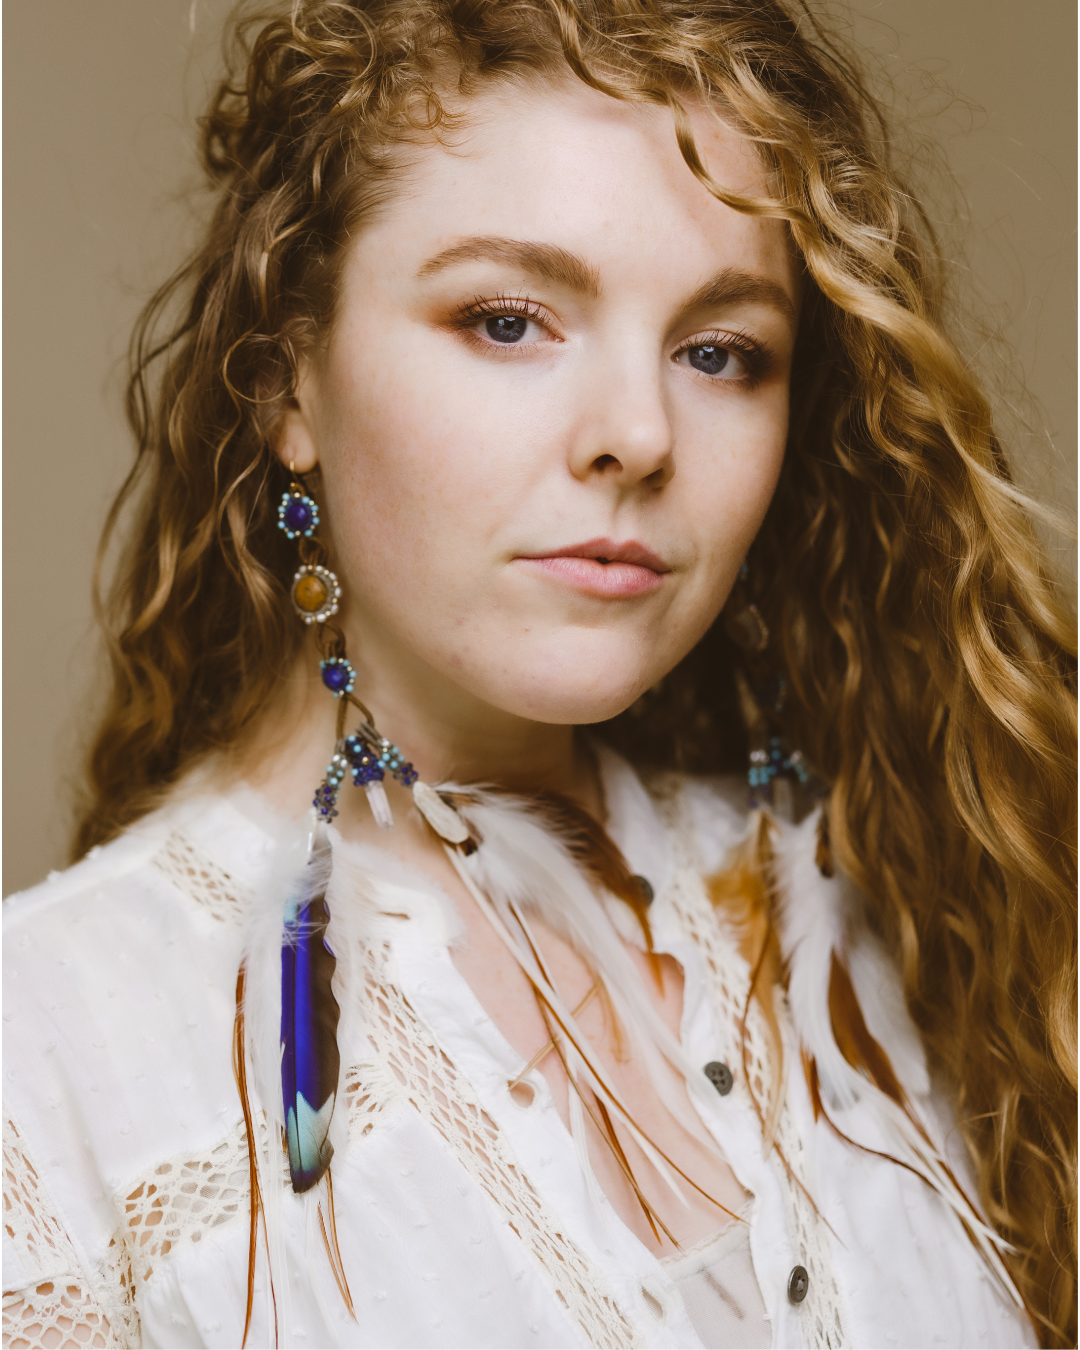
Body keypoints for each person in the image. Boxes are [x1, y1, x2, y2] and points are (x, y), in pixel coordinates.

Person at [2, 1, 1075, 1347]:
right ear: (287, 385)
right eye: (510, 321)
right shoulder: (47, 1070)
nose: (638, 433)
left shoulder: (895, 903)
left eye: (720, 352)